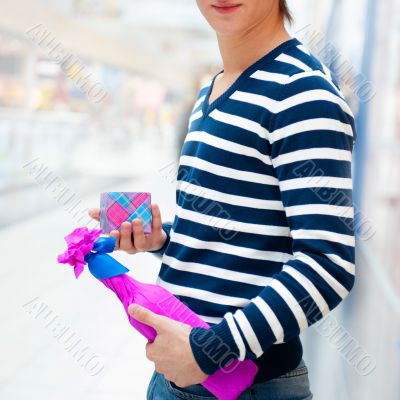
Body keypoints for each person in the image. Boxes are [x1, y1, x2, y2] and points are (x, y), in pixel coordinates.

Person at [89, 1, 356, 399]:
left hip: (243, 382)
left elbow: (329, 263)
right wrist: (162, 241)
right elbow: (238, 237)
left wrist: (210, 350)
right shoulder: (213, 90)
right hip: (181, 374)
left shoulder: (302, 95)